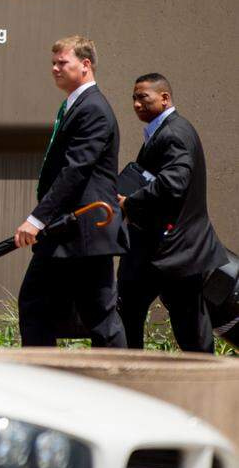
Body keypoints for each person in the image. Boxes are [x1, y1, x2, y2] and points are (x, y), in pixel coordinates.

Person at [14, 35, 128, 347]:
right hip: (72, 231)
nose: (54, 69)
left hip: (85, 229)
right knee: (44, 306)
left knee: (97, 316)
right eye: (53, 63)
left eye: (62, 62)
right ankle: (46, 380)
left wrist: (37, 220)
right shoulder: (76, 105)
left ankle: (118, 384)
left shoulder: (92, 109)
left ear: (86, 65)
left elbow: (75, 170)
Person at [116, 74, 226, 352]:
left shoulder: (174, 133)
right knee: (133, 310)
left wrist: (129, 202)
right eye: (134, 98)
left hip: (174, 250)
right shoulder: (164, 130)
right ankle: (133, 378)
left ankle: (202, 386)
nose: (137, 104)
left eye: (144, 97)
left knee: (188, 325)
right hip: (162, 249)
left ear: (164, 98)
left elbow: (173, 183)